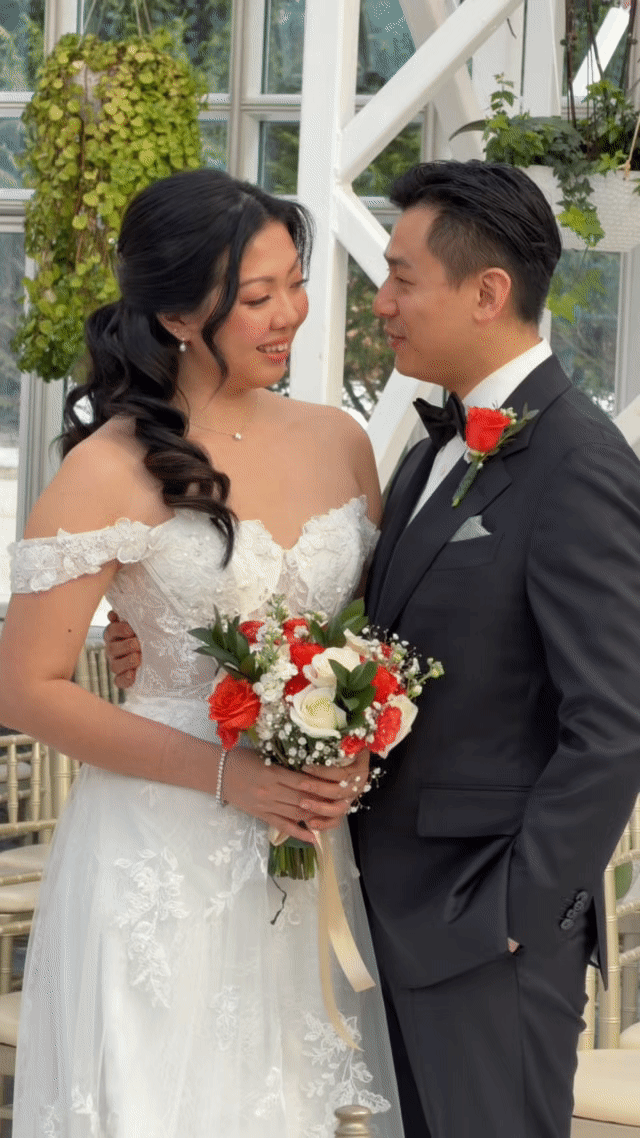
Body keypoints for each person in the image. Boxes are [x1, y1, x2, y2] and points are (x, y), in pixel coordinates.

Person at [104, 159, 640, 1137]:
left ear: (486, 293)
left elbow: (613, 722)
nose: (377, 302)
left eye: (400, 277)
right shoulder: (434, 443)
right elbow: (369, 632)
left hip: (484, 931)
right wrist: (187, 657)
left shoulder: (575, 465)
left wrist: (514, 914)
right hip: (384, 905)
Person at [0, 168, 405, 1138]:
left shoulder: (340, 440)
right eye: (257, 297)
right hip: (157, 849)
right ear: (180, 315)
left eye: (294, 284)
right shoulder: (109, 466)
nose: (291, 315)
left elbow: (368, 635)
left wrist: (353, 730)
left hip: (305, 844)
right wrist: (230, 775)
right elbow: (25, 685)